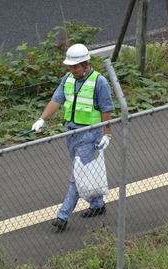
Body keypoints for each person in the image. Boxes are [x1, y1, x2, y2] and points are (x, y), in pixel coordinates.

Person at [31, 43, 114, 230]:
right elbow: (56, 100)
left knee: (77, 175)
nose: (72, 70)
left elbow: (106, 110)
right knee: (84, 170)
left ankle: (63, 216)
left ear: (86, 64)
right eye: (70, 66)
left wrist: (107, 133)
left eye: (75, 66)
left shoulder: (99, 82)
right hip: (71, 132)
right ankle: (97, 204)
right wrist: (42, 119)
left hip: (90, 133)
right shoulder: (67, 78)